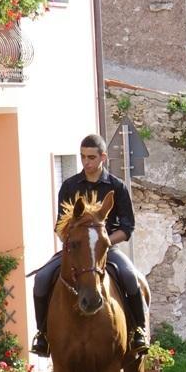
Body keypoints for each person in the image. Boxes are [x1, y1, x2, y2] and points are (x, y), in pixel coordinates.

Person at [29, 134, 149, 358]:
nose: (87, 162)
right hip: (75, 252)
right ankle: (43, 335)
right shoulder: (69, 186)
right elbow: (59, 225)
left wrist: (101, 244)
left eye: (91, 157)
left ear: (103, 157)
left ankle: (138, 331)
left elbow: (127, 227)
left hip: (106, 249)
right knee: (42, 278)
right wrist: (78, 244)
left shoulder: (117, 187)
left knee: (130, 276)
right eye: (83, 157)